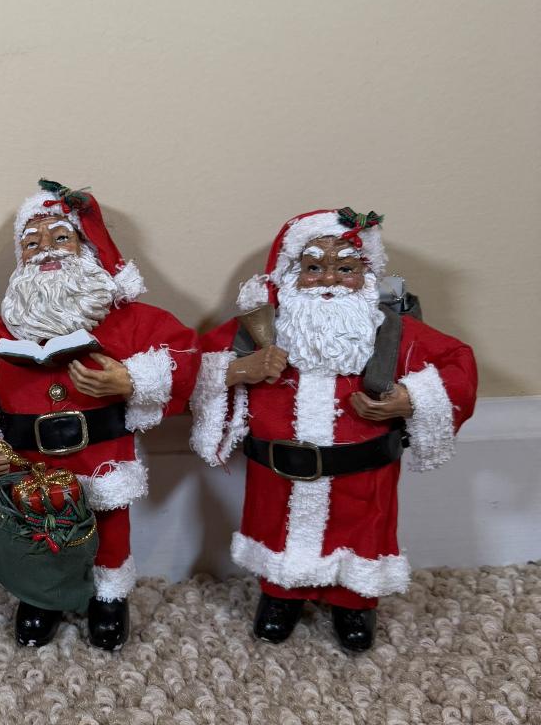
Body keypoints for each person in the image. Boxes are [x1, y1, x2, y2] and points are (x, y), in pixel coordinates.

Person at [189, 208, 478, 651]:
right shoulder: (258, 330)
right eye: (313, 268)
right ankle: (281, 596)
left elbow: (457, 364)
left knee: (360, 539)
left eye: (345, 268)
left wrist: (410, 398)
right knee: (277, 533)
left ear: (367, 273)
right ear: (291, 273)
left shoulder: (391, 331)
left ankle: (355, 604)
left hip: (362, 477)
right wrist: (240, 369)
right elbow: (193, 367)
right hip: (276, 475)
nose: (329, 279)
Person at [0, 180, 199, 650]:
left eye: (60, 237)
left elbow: (185, 355)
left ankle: (109, 597)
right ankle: (40, 596)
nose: (45, 250)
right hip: (29, 464)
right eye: (32, 242)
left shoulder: (130, 322)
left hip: (101, 457)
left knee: (110, 530)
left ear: (86, 248)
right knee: (38, 530)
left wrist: (132, 379)